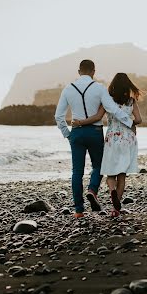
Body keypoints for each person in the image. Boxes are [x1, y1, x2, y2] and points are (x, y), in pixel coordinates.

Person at [55, 60, 137, 218]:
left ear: (79, 71)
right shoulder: (99, 88)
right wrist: (129, 122)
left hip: (76, 132)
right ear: (93, 71)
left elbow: (59, 116)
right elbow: (112, 109)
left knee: (76, 172)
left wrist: (67, 134)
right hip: (94, 132)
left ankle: (79, 211)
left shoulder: (68, 89)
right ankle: (92, 190)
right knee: (99, 165)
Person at [72, 73, 142, 218]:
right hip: (128, 138)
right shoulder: (131, 101)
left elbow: (97, 117)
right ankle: (116, 210)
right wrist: (129, 123)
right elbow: (139, 119)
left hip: (112, 138)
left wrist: (80, 122)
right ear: (128, 85)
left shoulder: (107, 100)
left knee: (111, 172)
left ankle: (112, 191)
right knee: (122, 175)